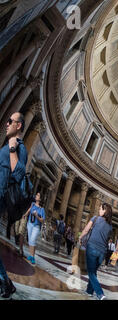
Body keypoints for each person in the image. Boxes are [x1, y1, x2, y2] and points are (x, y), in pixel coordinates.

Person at [0, 112, 27, 298]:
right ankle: (6, 283)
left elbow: (18, 174)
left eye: (10, 121)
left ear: (18, 125)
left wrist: (11, 150)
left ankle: (5, 282)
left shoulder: (19, 147)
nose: (6, 124)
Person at [78, 203, 113, 300]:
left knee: (91, 273)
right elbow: (107, 239)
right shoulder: (110, 226)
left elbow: (86, 230)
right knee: (93, 271)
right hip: (102, 252)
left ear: (105, 211)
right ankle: (89, 291)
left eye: (100, 209)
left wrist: (80, 237)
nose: (99, 210)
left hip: (92, 248)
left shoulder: (95, 218)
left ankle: (100, 294)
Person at [23, 193, 45, 265]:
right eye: (36, 195)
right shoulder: (32, 204)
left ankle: (32, 257)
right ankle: (31, 255)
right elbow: (29, 210)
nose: (36, 196)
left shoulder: (42, 209)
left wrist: (37, 216)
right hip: (29, 224)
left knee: (32, 240)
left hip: (36, 226)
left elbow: (42, 220)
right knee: (30, 241)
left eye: (38, 195)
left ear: (40, 199)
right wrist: (25, 215)